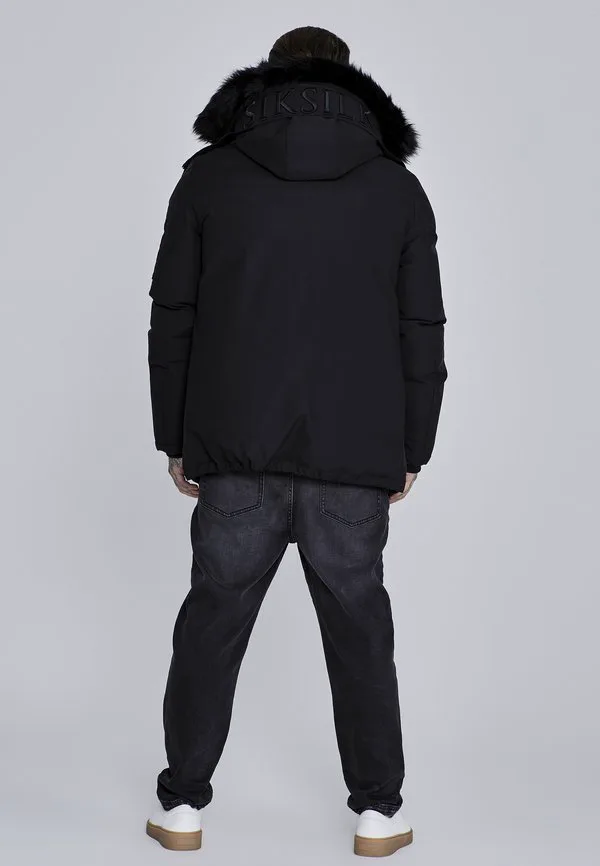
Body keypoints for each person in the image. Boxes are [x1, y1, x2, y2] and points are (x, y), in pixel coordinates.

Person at [145, 25, 447, 856]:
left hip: (234, 445)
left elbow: (174, 316)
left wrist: (175, 435)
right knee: (361, 631)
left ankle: (182, 808)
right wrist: (413, 445)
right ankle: (379, 814)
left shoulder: (209, 178)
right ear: (351, 87)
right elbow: (420, 327)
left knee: (211, 623)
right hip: (354, 451)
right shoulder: (396, 189)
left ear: (267, 81)